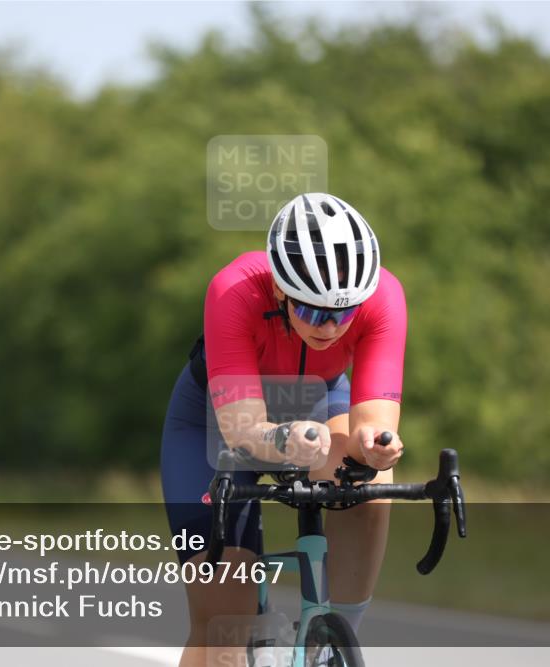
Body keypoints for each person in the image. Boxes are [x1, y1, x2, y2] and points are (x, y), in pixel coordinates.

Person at [160, 192, 407, 666]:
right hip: (216, 424)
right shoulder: (234, 291)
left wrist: (375, 447)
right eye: (313, 311)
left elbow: (371, 425)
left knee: (368, 482)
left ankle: (332, 643)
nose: (330, 328)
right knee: (224, 632)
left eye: (344, 313)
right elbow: (245, 432)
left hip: (318, 400)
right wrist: (283, 439)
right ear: (279, 289)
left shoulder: (384, 298)